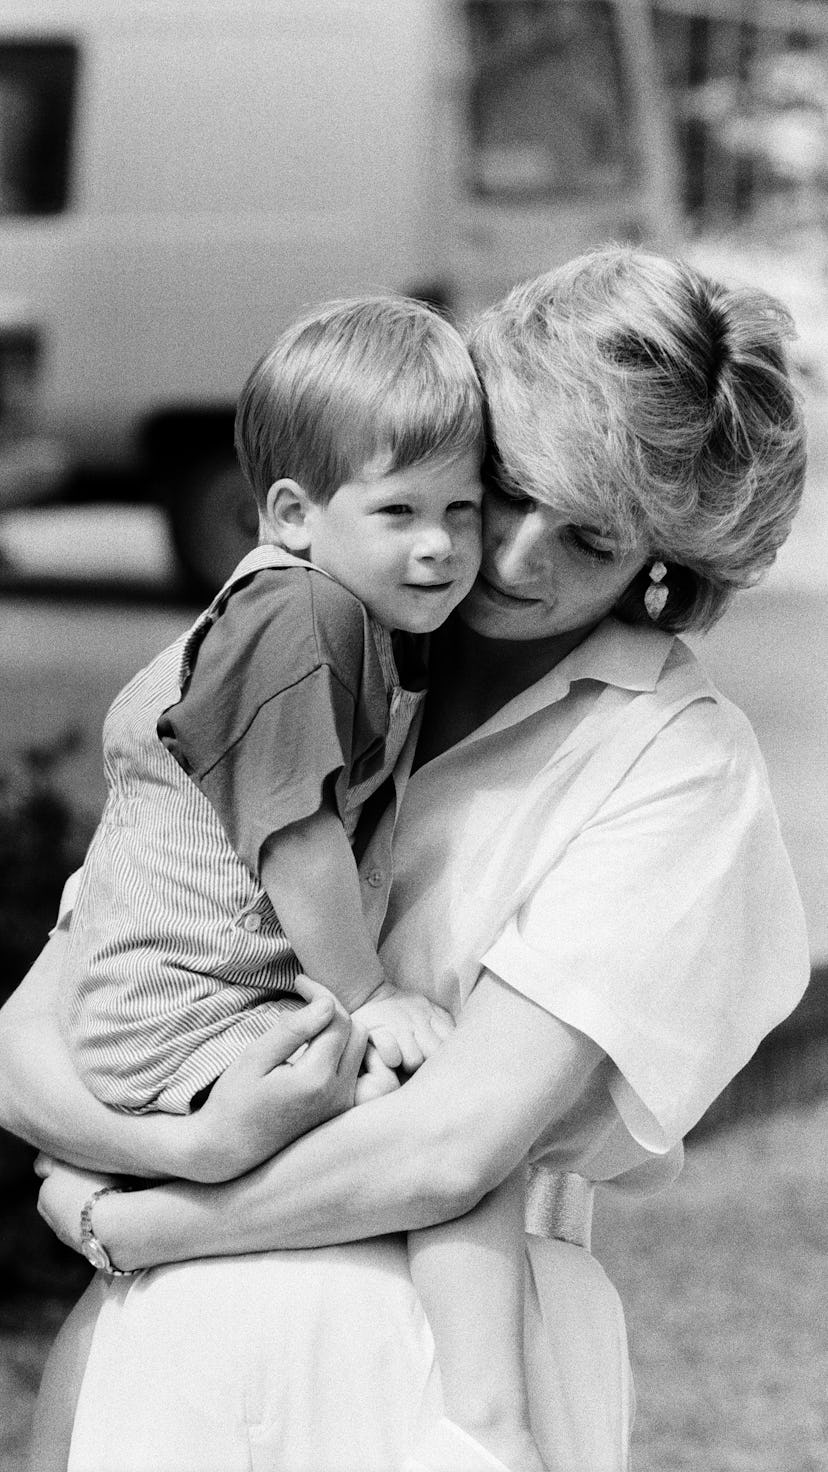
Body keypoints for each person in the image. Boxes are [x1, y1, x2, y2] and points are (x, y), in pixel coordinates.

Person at [0, 245, 810, 1472]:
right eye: (505, 490)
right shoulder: (302, 641)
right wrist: (180, 1154)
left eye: (589, 538)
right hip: (181, 1341)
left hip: (432, 1364)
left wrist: (145, 1216)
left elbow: (453, 1143)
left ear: (665, 561)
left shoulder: (672, 760)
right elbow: (31, 1033)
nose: (512, 556)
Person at [47, 293, 552, 1470]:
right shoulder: (300, 613)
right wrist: (369, 992)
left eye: (465, 511)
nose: (442, 546)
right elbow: (295, 840)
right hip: (189, 1011)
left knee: (443, 1124)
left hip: (195, 1001)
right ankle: (488, 1427)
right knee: (452, 1123)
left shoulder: (333, 609)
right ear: (291, 513)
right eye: (401, 512)